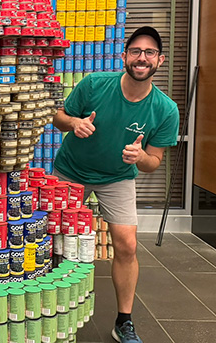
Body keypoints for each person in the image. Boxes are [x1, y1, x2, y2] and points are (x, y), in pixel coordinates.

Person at [52, 26, 179, 343]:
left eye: (149, 52)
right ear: (124, 56)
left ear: (159, 60)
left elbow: (154, 162)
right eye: (136, 51)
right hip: (71, 170)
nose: (142, 58)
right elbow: (58, 117)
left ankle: (124, 320)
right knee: (53, 239)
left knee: (127, 245)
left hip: (117, 178)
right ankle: (48, 309)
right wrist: (74, 123)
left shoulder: (165, 109)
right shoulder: (95, 84)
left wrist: (140, 157)